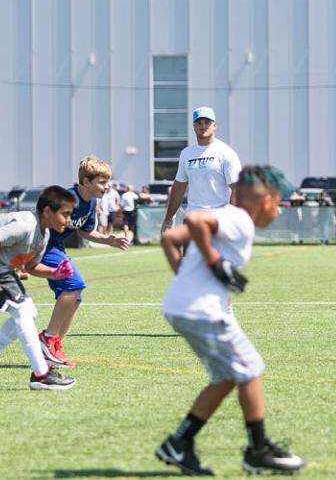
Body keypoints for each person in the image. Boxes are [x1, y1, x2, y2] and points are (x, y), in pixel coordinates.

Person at [154, 165, 305, 475]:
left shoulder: (228, 217)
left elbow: (171, 238)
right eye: (278, 204)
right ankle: (258, 450)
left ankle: (179, 442)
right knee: (250, 368)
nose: (277, 213)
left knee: (227, 376)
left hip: (186, 306)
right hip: (201, 310)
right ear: (265, 200)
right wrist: (215, 263)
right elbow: (194, 219)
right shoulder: (239, 220)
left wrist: (189, 279)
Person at [0, 186, 78, 391]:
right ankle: (41, 374)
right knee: (23, 312)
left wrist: (55, 273)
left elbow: (30, 267)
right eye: (65, 214)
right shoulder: (25, 225)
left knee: (29, 313)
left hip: (2, 269)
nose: (68, 220)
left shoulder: (43, 235)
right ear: (47, 211)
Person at [38, 156, 130, 368]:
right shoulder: (67, 198)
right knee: (75, 285)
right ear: (86, 182)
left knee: (74, 298)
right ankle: (48, 337)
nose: (107, 187)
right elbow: (40, 217)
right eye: (102, 182)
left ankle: (53, 346)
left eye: (108, 181)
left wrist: (108, 239)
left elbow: (85, 231)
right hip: (41, 247)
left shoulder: (91, 202)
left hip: (56, 248)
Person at [160, 107, 241, 234]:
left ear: (215, 125)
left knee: (214, 255)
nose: (203, 126)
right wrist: (169, 218)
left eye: (207, 122)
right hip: (192, 220)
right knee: (187, 255)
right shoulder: (186, 154)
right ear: (193, 126)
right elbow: (179, 187)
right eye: (199, 122)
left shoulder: (225, 153)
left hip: (217, 220)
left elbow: (236, 188)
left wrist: (231, 220)